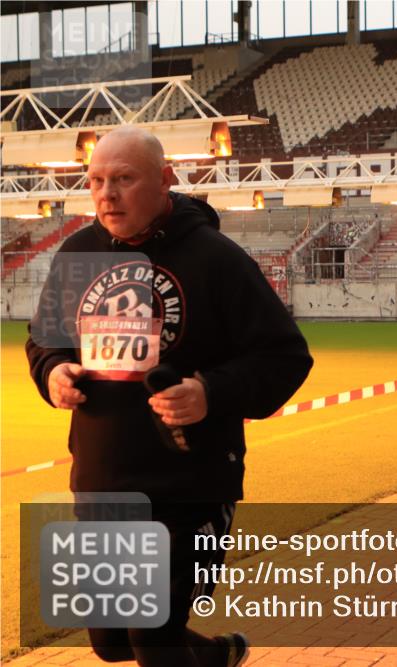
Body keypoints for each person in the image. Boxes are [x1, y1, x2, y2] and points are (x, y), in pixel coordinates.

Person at [26, 127, 313, 666]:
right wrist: (53, 371)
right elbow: (45, 338)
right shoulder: (79, 252)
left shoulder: (214, 256)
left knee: (153, 637)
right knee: (112, 644)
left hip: (190, 480)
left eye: (124, 179)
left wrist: (209, 391)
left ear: (165, 180)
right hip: (103, 478)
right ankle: (220, 657)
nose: (106, 194)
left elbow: (286, 358)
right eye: (96, 181)